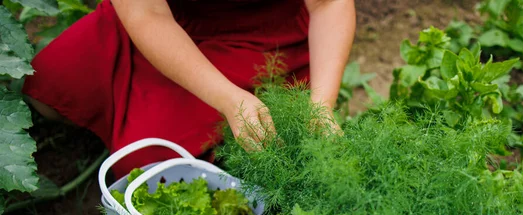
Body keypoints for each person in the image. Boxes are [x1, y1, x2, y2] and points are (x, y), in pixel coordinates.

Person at [23, 0, 356, 177]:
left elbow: (329, 4)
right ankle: (130, 115)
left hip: (262, 36)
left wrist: (321, 107)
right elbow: (146, 13)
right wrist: (229, 99)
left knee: (148, 165)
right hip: (161, 21)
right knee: (49, 86)